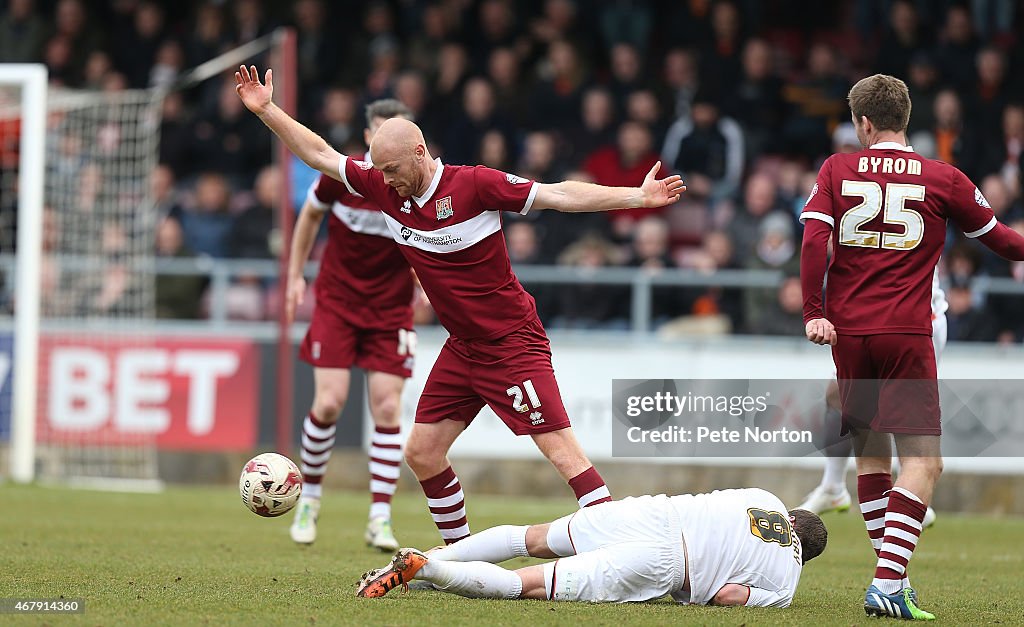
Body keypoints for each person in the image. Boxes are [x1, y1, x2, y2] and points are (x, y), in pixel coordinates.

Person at [235, 65, 685, 544]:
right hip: (463, 348)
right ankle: (464, 555)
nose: (386, 181)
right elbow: (320, 154)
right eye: (379, 172)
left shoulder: (475, 185)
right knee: (423, 451)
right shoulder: (383, 188)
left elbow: (557, 194)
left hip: (511, 342)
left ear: (420, 153)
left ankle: (625, 549)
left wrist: (636, 196)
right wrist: (267, 110)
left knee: (563, 455)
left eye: (392, 170)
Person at [800, 73, 1024, 620]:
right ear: (906, 119)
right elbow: (1002, 242)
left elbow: (812, 239)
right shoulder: (941, 176)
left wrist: (813, 312)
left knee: (871, 456)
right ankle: (887, 582)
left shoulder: (836, 167)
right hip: (907, 330)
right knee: (925, 463)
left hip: (849, 334)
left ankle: (890, 578)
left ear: (864, 123)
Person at [286, 99, 417, 551]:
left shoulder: (411, 186)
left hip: (390, 310)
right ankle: (310, 499)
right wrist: (294, 275)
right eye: (378, 135)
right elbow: (309, 216)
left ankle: (379, 517)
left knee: (386, 408)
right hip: (338, 303)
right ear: (367, 137)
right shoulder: (343, 177)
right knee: (328, 403)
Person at [355, 488, 826, 608]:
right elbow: (728, 596)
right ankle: (427, 570)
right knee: (526, 587)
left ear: (791, 517)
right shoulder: (786, 583)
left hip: (649, 512)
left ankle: (437, 555)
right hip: (664, 563)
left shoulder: (766, 500)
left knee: (532, 538)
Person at [796, 268, 945, 532]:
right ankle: (834, 486)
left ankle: (909, 492)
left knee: (896, 413)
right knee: (839, 395)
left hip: (911, 321)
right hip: (869, 314)